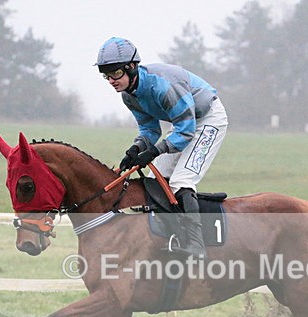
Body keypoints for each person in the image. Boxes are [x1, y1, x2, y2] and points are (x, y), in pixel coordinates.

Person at [95, 37, 228, 259]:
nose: (111, 80)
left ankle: (196, 244)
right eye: (106, 75)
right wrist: (136, 148)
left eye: (116, 73)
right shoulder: (129, 96)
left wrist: (156, 150)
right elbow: (150, 130)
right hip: (184, 123)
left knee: (181, 181)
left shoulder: (162, 86)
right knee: (155, 181)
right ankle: (170, 236)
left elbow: (186, 130)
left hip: (208, 120)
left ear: (131, 67)